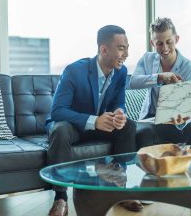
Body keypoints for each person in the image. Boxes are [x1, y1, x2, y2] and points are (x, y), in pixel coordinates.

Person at [45, 25, 138, 216]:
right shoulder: (74, 71)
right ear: (104, 50)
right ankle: (60, 198)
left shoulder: (121, 72)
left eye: (127, 48)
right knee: (60, 131)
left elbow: (119, 102)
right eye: (121, 48)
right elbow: (57, 111)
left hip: (98, 124)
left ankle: (120, 186)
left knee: (129, 126)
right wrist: (93, 121)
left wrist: (120, 114)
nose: (127, 54)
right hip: (72, 125)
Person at [129, 17, 191, 149]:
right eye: (159, 43)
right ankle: (147, 168)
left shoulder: (189, 68)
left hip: (180, 120)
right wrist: (160, 77)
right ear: (152, 43)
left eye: (169, 42)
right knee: (143, 134)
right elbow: (133, 82)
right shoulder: (147, 59)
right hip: (152, 120)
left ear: (177, 39)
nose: (165, 48)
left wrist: (181, 117)